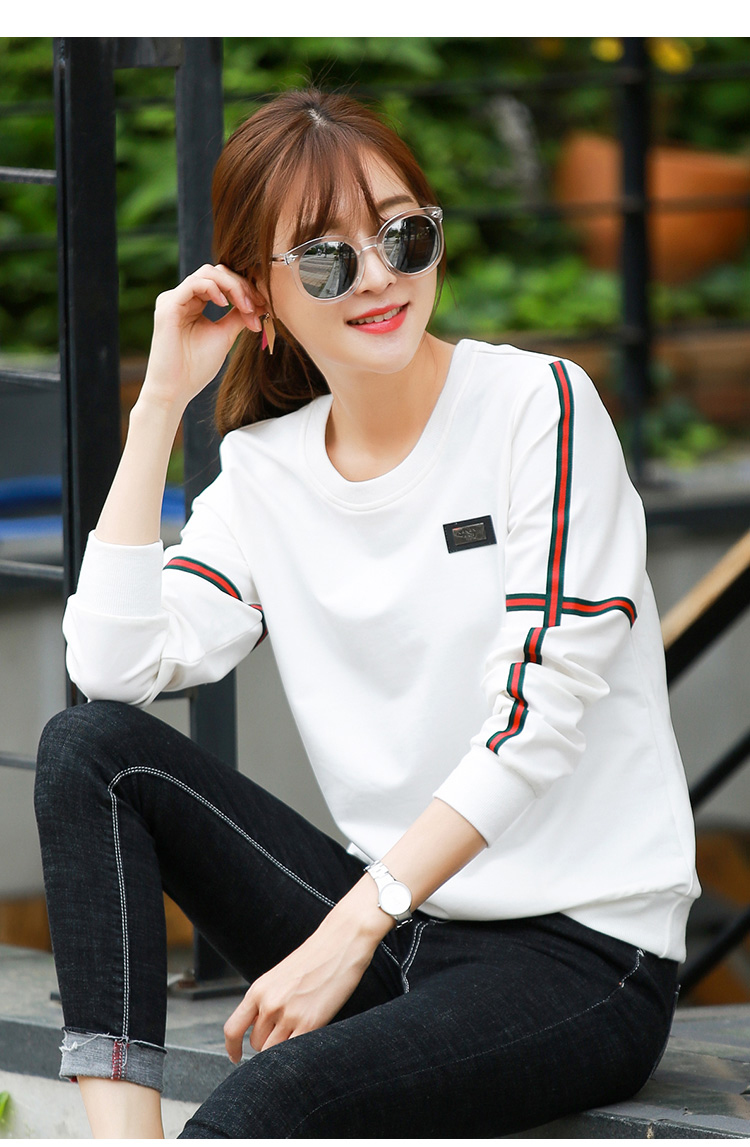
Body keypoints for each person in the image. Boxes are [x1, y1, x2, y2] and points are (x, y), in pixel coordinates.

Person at [34, 87, 699, 1139]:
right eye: (325, 259)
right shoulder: (267, 471)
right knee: (88, 750)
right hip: (397, 927)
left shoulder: (538, 407)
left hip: (579, 955)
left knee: (264, 1105)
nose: (379, 275)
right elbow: (113, 671)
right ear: (258, 291)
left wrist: (351, 928)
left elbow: (535, 714)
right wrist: (159, 404)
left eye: (402, 234)